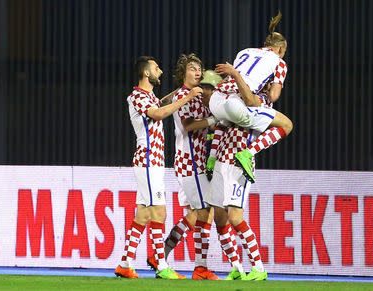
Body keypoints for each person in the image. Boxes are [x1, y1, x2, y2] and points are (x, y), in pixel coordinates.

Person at [114, 56, 200, 280]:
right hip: (148, 160)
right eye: (156, 68)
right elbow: (158, 113)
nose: (160, 71)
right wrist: (187, 96)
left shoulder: (149, 96)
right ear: (146, 73)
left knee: (143, 214)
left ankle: (125, 263)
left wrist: (181, 91)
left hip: (154, 162)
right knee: (159, 212)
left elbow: (160, 103)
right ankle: (162, 265)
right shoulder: (136, 96)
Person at [146, 54, 221, 280]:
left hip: (195, 162)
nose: (197, 71)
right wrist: (212, 121)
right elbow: (189, 126)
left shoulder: (198, 95)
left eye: (199, 68)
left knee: (194, 215)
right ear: (183, 74)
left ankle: (160, 256)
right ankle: (200, 268)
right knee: (205, 212)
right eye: (192, 68)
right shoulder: (184, 96)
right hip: (190, 164)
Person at [207, 12, 293, 183]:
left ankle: (211, 159)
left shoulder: (245, 51)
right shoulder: (279, 62)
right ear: (281, 49)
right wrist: (267, 89)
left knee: (224, 120)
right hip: (236, 103)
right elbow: (274, 96)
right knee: (287, 125)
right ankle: (248, 153)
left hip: (216, 100)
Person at [205, 121, 268, 281]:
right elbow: (220, 128)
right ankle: (237, 268)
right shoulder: (227, 100)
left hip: (239, 164)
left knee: (235, 218)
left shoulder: (256, 102)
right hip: (220, 162)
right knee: (220, 220)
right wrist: (212, 157)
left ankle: (259, 268)